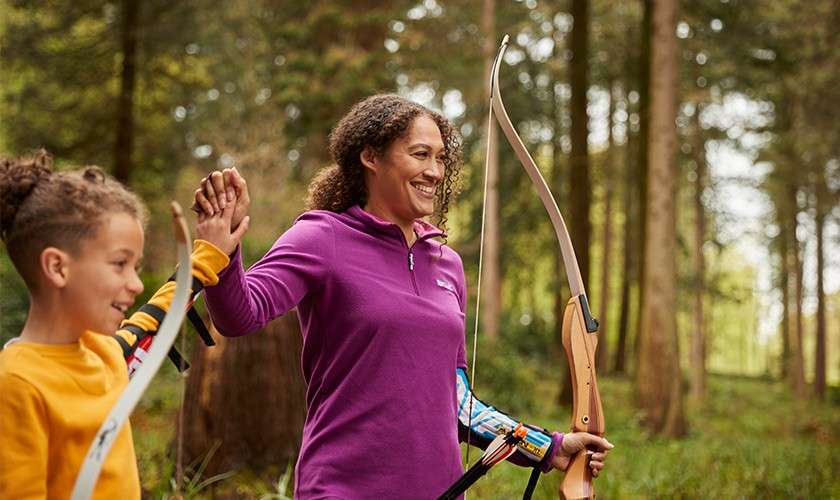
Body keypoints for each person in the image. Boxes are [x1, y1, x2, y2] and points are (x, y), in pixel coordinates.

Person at [193, 94, 613, 498]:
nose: (435, 171)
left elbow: (458, 400)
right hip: (341, 490)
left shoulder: (446, 264)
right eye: (420, 154)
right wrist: (222, 254)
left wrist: (549, 447)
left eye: (441, 158)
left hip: (439, 491)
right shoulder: (321, 237)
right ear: (371, 157)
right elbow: (239, 316)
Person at [0, 151, 240, 498]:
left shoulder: (105, 352)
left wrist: (206, 253)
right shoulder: (17, 385)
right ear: (57, 268)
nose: (136, 284)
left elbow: (155, 320)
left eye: (137, 267)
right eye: (119, 264)